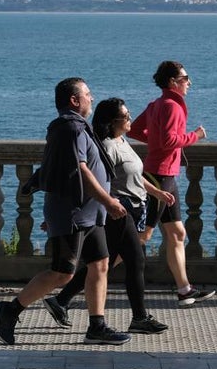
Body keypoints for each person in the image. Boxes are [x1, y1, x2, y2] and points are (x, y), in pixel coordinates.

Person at [0, 77, 130, 346]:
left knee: (100, 265)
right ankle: (10, 311)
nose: (92, 98)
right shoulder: (70, 128)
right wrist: (108, 201)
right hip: (74, 213)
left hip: (90, 215)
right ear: (74, 100)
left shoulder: (77, 127)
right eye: (87, 94)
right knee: (62, 272)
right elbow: (80, 169)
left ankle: (96, 327)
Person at [42, 97, 174, 334]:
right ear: (113, 122)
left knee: (104, 262)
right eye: (126, 116)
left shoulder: (121, 141)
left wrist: (156, 192)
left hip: (134, 208)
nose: (130, 118)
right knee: (135, 260)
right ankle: (139, 318)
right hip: (118, 210)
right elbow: (94, 182)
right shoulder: (107, 146)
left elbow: (134, 174)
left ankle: (61, 300)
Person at [127, 60, 216, 306]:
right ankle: (73, 288)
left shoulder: (157, 104)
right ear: (172, 82)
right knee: (141, 236)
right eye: (185, 78)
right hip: (160, 176)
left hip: (166, 174)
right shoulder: (172, 106)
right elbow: (168, 141)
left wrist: (154, 142)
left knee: (177, 233)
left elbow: (133, 130)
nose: (189, 82)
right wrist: (195, 136)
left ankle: (184, 290)